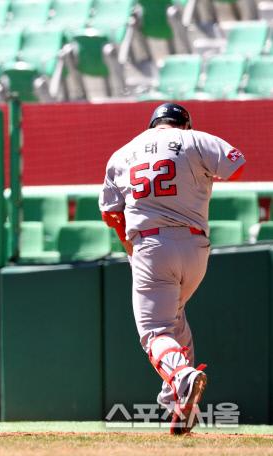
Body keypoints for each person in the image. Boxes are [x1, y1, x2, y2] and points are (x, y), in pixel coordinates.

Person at [99, 103, 245, 435]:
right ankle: (178, 405)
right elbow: (236, 165)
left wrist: (130, 247)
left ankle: (181, 377)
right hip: (196, 248)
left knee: (154, 333)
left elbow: (111, 214)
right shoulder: (194, 139)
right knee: (174, 320)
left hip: (152, 245)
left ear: (153, 124)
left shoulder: (123, 153)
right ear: (184, 124)